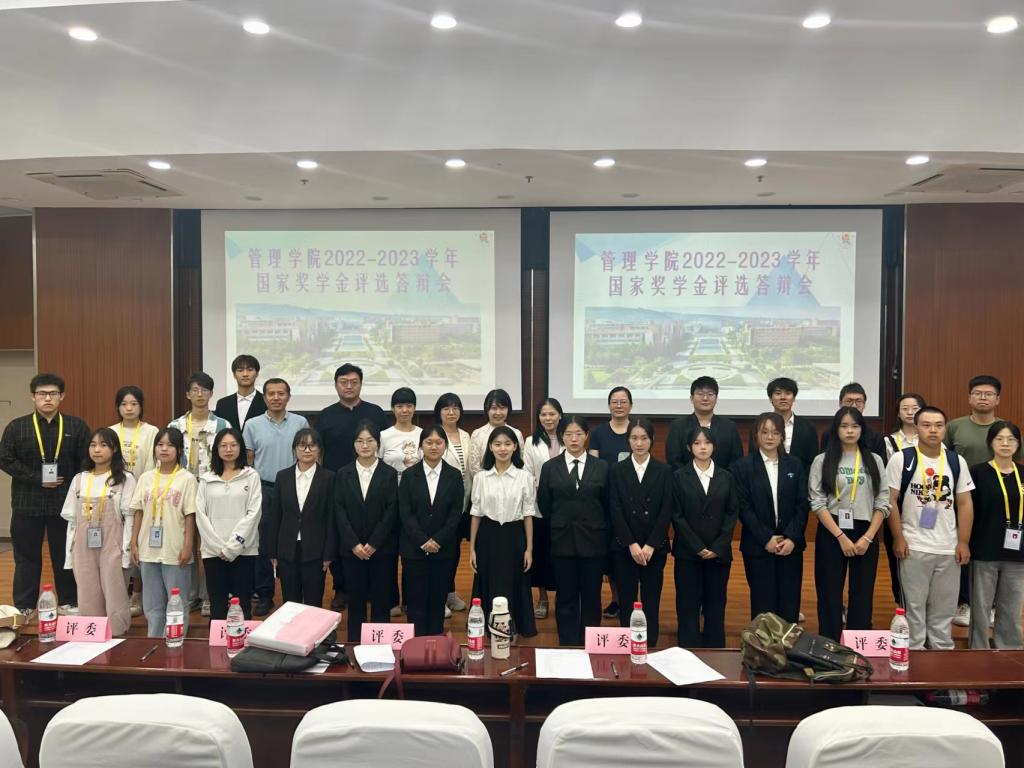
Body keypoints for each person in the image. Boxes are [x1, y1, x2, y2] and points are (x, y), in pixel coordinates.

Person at [0, 373, 90, 617]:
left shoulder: (76, 426)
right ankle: (25, 605)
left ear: (62, 396)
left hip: (65, 503)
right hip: (27, 503)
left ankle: (68, 601)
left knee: (65, 555)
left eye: (53, 393)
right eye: (42, 393)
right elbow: (5, 459)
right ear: (33, 396)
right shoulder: (17, 427)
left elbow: (86, 462)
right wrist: (35, 477)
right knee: (26, 557)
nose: (47, 398)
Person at [887, 406, 974, 649]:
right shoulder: (902, 459)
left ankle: (941, 655)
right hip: (914, 546)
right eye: (926, 425)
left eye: (938, 425)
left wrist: (963, 541)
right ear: (916, 429)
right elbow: (890, 501)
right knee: (913, 608)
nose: (933, 430)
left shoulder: (956, 461)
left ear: (945, 429)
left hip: (948, 547)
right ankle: (913, 654)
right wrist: (898, 537)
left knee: (944, 609)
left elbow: (965, 502)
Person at [946, 375, 1022, 628]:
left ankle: (993, 607)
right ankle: (965, 603)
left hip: (1000, 502)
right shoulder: (955, 427)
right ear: (969, 398)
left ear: (997, 399)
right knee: (966, 549)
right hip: (962, 498)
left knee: (995, 555)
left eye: (988, 394)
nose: (983, 398)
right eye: (977, 393)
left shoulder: (1005, 429)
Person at [808, 407, 889, 641]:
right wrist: (841, 537)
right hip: (832, 530)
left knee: (862, 593)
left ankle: (858, 644)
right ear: (836, 430)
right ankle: (830, 644)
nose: (850, 431)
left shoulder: (874, 460)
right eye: (844, 426)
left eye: (855, 426)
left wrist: (868, 537)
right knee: (829, 591)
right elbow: (817, 502)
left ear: (862, 430)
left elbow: (883, 501)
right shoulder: (822, 460)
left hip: (866, 531)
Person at [317, 363, 389, 612]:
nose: (349, 386)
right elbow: (319, 452)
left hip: (372, 485)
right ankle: (342, 589)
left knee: (372, 533)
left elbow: (383, 448)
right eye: (343, 382)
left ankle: (369, 588)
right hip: (337, 485)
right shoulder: (325, 415)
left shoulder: (375, 412)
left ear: (361, 384)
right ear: (336, 385)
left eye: (354, 382)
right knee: (340, 537)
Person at [536, 416, 610, 646]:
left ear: (586, 436)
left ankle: (590, 644)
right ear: (562, 437)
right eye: (568, 434)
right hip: (562, 540)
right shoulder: (550, 467)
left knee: (591, 596)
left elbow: (607, 504)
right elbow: (544, 503)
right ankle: (567, 644)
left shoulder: (602, 467)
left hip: (593, 541)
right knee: (565, 595)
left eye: (579, 433)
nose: (574, 438)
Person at [60, 428, 137, 636]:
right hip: (83, 546)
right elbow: (72, 522)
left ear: (115, 449)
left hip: (113, 545)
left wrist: (127, 552)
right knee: (87, 593)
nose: (97, 450)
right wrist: (69, 555)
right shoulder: (79, 479)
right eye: (93, 445)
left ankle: (117, 635)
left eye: (103, 445)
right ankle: (91, 636)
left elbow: (130, 517)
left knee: (115, 593)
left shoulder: (125, 479)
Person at [242, 377, 309, 616]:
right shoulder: (252, 425)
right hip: (265, 488)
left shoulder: (300, 422)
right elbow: (249, 460)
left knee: (294, 540)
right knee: (264, 543)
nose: (276, 398)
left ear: (288, 397)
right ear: (265, 397)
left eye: (281, 393)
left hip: (295, 487)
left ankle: (297, 593)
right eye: (271, 393)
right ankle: (264, 594)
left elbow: (308, 454)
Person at [734, 412, 809, 623]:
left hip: (790, 546)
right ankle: (764, 644)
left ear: (782, 436)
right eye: (764, 432)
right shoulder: (742, 467)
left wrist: (792, 537)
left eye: (775, 432)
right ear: (756, 435)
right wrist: (766, 538)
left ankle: (788, 643)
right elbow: (744, 508)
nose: (770, 437)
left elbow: (802, 505)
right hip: (758, 546)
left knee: (789, 603)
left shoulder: (795, 465)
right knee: (762, 604)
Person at [329, 421, 398, 640]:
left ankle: (381, 646)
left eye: (370, 440)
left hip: (382, 549)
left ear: (378, 443)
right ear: (353, 444)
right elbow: (339, 511)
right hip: (352, 550)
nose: (365, 445)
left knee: (381, 600)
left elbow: (391, 511)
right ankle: (355, 644)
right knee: (355, 601)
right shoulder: (343, 473)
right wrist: (354, 544)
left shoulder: (389, 473)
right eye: (360, 441)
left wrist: (374, 543)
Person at [671, 426, 739, 648]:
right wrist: (697, 546)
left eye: (707, 443)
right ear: (689, 447)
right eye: (697, 443)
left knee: (715, 605)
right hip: (688, 553)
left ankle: (715, 650)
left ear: (714, 446)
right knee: (687, 605)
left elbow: (732, 513)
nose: (702, 447)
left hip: (718, 554)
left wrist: (718, 546)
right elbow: (676, 515)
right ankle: (687, 649)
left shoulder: (726, 477)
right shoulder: (679, 477)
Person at [169, 372, 229, 616]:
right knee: (186, 542)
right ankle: (190, 594)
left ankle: (209, 596)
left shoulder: (222, 425)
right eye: (195, 390)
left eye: (204, 390)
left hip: (212, 490)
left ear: (211, 393)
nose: (200, 394)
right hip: (182, 489)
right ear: (187, 394)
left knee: (210, 544)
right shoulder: (175, 426)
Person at [128, 427, 198, 638]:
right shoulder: (146, 478)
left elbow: (190, 516)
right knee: (152, 603)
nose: (164, 449)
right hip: (148, 549)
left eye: (170, 445)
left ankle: (176, 640)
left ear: (179, 450)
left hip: (175, 549)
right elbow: (138, 512)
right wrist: (134, 543)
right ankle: (155, 641)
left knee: (177, 601)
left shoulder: (187, 479)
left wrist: (188, 546)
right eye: (160, 445)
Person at [608, 418, 672, 647]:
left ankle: (649, 642)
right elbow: (614, 508)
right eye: (634, 438)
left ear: (652, 440)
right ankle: (626, 642)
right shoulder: (617, 470)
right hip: (625, 546)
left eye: (644, 438)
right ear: (628, 441)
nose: (639, 443)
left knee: (651, 598)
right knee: (626, 598)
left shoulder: (664, 470)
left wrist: (651, 544)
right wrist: (631, 544)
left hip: (654, 547)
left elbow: (667, 509)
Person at [469, 426, 537, 639]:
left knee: (514, 581)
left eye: (507, 444)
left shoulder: (524, 477)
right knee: (488, 580)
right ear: (490, 447)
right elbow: (476, 513)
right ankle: (489, 629)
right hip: (488, 536)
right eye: (497, 444)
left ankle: (513, 626)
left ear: (515, 447)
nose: (502, 448)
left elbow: (528, 514)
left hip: (514, 535)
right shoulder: (481, 477)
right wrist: (472, 549)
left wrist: (529, 549)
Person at [398, 426, 465, 636]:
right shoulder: (409, 475)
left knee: (437, 600)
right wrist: (422, 540)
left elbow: (456, 513)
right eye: (429, 442)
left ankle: (435, 642)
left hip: (443, 549)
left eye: (439, 442)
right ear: (421, 446)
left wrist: (438, 540)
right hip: (414, 549)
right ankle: (415, 645)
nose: (434, 446)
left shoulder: (454, 475)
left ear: (445, 446)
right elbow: (405, 512)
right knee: (415, 600)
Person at [968, 421, 1024, 649]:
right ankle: (979, 650)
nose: (1005, 443)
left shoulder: (1023, 473)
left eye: (1011, 439)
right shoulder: (978, 472)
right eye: (999, 438)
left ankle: (1010, 650)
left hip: (1018, 554)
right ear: (990, 442)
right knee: (980, 607)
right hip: (984, 550)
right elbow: (969, 511)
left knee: (1011, 607)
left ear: (1018, 444)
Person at [195, 428, 262, 621]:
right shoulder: (207, 479)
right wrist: (219, 547)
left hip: (243, 551)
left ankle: (242, 641)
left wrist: (234, 546)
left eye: (233, 445)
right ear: (216, 449)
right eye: (223, 445)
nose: (228, 449)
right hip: (213, 553)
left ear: (241, 448)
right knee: (217, 606)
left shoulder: (251, 476)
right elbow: (201, 515)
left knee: (243, 605)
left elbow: (254, 513)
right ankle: (217, 640)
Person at [264, 429, 334, 608]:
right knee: (290, 603)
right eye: (302, 445)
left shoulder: (329, 478)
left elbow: (331, 519)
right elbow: (275, 515)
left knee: (313, 602)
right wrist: (272, 551)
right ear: (295, 449)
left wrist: (328, 553)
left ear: (319, 449)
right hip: (287, 548)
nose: (307, 450)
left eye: (312, 445)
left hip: (316, 550)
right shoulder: (283, 476)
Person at [588, 386, 632, 618]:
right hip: (605, 500)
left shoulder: (636, 430)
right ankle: (616, 599)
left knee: (630, 553)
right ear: (608, 405)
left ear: (631, 405)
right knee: (611, 555)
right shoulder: (599, 433)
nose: (619, 405)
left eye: (623, 401)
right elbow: (594, 466)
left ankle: (632, 600)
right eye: (614, 401)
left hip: (632, 501)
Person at [882, 392, 927, 606]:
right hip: (897, 504)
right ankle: (902, 605)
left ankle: (925, 603)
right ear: (898, 413)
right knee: (899, 554)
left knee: (924, 553)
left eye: (915, 408)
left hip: (927, 504)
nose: (910, 412)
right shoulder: (888, 441)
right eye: (905, 409)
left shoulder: (932, 439)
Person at [523, 397, 563, 619]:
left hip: (565, 506)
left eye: (552, 414)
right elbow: (528, 475)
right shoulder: (531, 442)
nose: (548, 418)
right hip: (539, 506)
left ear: (560, 415)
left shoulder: (570, 437)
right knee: (541, 553)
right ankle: (543, 598)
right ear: (538, 418)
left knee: (561, 554)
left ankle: (563, 596)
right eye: (544, 414)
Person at [436, 393, 471, 615]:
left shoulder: (466, 436)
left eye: (455, 407)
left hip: (464, 503)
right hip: (440, 504)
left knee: (455, 551)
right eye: (446, 408)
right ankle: (438, 597)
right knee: (441, 551)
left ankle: (450, 592)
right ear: (438, 412)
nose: (451, 412)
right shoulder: (433, 435)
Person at [665, 376, 743, 472]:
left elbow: (736, 461)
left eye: (710, 394)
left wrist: (722, 478)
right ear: (691, 398)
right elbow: (673, 460)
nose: (705, 398)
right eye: (700, 394)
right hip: (685, 480)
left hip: (723, 480)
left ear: (716, 398)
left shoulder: (729, 427)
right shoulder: (678, 426)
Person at [752, 378, 818, 471]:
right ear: (770, 398)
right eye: (778, 393)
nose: (783, 397)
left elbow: (812, 461)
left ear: (794, 398)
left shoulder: (808, 427)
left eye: (788, 393)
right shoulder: (759, 425)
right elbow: (753, 455)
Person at [818, 383, 887, 460]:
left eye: (858, 401)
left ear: (864, 405)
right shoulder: (829, 434)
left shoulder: (876, 437)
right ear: (840, 403)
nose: (854, 406)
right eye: (849, 401)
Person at [468, 388, 525, 478]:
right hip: (485, 483)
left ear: (508, 409)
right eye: (494, 408)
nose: (498, 413)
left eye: (502, 408)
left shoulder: (517, 434)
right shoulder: (478, 434)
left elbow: (520, 463)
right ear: (487, 409)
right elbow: (474, 469)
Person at [111, 386, 158, 481]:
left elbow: (151, 464)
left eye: (134, 404)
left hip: (144, 484)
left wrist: (144, 484)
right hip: (115, 485)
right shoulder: (111, 431)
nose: (129, 408)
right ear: (117, 407)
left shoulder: (152, 431)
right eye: (124, 404)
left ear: (141, 406)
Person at [215, 354, 266, 431]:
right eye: (240, 370)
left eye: (250, 370)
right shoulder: (222, 404)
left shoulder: (266, 401)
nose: (245, 374)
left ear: (257, 373)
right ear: (234, 375)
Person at [379, 387, 422, 479]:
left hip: (416, 486)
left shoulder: (423, 434)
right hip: (390, 485)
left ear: (414, 408)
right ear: (392, 408)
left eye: (409, 406)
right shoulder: (383, 436)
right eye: (399, 406)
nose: (404, 410)